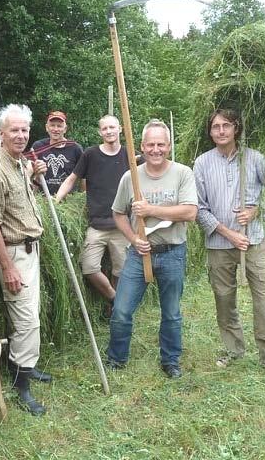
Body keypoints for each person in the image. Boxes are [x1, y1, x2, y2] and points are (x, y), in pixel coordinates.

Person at [193, 108, 265, 372]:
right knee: (224, 299)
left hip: (253, 243)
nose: (221, 131)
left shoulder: (255, 159)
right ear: (210, 132)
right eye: (215, 127)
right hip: (219, 245)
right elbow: (198, 208)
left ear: (236, 129)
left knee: (263, 299)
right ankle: (233, 349)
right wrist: (228, 232)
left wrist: (257, 211)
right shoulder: (201, 163)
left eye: (226, 126)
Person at [106, 119, 197, 379]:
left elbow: (190, 212)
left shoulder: (182, 173)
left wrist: (151, 210)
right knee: (121, 310)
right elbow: (118, 214)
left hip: (172, 253)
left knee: (171, 312)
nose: (156, 149)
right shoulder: (131, 176)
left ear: (168, 146)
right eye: (150, 144)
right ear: (142, 147)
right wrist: (134, 239)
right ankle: (116, 358)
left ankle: (170, 361)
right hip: (139, 254)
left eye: (161, 144)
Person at [0, 104, 51, 416]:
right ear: (1, 133)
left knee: (29, 314)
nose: (20, 135)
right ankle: (21, 384)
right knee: (26, 320)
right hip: (14, 254)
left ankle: (26, 365)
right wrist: (7, 266)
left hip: (30, 249)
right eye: (14, 130)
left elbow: (19, 204)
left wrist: (35, 178)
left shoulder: (20, 164)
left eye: (24, 130)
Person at [55, 115, 131, 318]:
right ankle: (116, 300)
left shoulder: (129, 154)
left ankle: (115, 311)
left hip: (122, 225)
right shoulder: (90, 154)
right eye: (105, 128)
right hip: (96, 225)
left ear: (120, 129)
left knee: (121, 272)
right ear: (100, 132)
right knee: (89, 268)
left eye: (112, 127)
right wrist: (56, 200)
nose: (109, 131)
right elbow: (72, 179)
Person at [31, 110, 84, 195]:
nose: (55, 129)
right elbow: (29, 175)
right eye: (52, 125)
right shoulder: (38, 147)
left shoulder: (75, 148)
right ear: (46, 127)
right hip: (43, 200)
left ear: (65, 129)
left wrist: (82, 198)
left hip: (68, 203)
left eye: (59, 126)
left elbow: (83, 176)